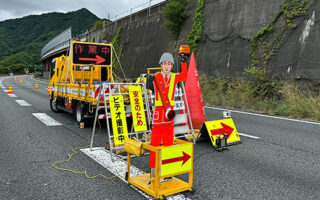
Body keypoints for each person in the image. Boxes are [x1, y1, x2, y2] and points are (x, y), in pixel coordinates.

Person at [149, 52, 188, 174]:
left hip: (169, 114)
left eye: (169, 64)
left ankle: (167, 169)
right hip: (158, 113)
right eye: (164, 63)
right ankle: (153, 169)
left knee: (168, 142)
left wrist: (183, 61)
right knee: (155, 142)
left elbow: (184, 76)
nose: (166, 66)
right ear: (161, 64)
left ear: (172, 66)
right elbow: (146, 85)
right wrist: (148, 81)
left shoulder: (175, 77)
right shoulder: (155, 76)